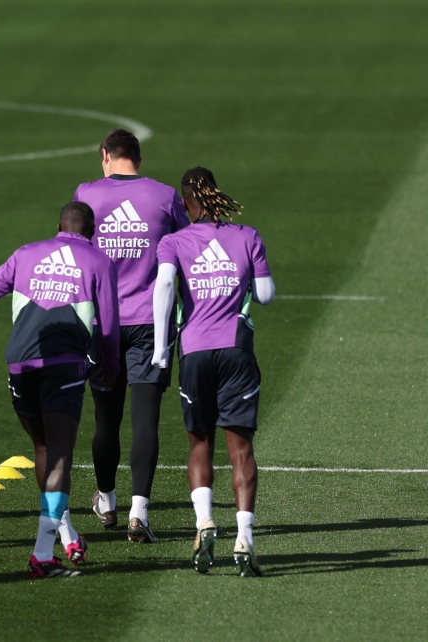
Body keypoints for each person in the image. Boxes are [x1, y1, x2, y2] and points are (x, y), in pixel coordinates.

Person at [0, 202, 119, 579]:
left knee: (44, 449)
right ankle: (42, 555)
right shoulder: (98, 261)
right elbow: (110, 324)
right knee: (61, 457)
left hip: (19, 364)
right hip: (63, 365)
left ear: (57, 227)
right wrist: (110, 368)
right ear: (93, 231)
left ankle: (65, 533)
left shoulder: (25, 254)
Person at [152, 167, 274, 577]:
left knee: (198, 442)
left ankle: (204, 521)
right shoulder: (247, 236)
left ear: (186, 203)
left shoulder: (173, 241)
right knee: (240, 449)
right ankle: (245, 537)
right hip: (237, 350)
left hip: (195, 351)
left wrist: (159, 349)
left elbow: (165, 287)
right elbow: (266, 295)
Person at [74, 128, 189, 542]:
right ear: (138, 158)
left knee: (105, 419)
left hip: (102, 323)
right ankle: (140, 512)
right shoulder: (163, 196)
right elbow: (186, 246)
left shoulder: (87, 193)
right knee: (146, 419)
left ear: (105, 155)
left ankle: (106, 499)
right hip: (151, 325)